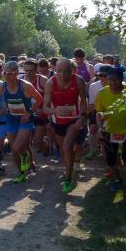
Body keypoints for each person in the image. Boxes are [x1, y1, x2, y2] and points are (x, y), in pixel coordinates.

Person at [0, 61, 44, 183]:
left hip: (25, 120)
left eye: (10, 74)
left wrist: (29, 112)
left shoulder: (25, 86)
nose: (6, 76)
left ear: (16, 74)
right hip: (11, 119)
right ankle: (22, 171)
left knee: (15, 148)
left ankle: (25, 160)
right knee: (22, 147)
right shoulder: (2, 86)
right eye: (5, 73)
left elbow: (40, 99)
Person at [43, 58, 88, 193]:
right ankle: (69, 168)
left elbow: (84, 100)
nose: (62, 75)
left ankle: (68, 179)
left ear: (72, 70)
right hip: (58, 121)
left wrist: (83, 116)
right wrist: (56, 110)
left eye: (66, 71)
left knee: (68, 146)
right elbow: (45, 108)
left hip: (74, 119)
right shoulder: (50, 83)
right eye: (59, 71)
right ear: (55, 70)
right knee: (64, 150)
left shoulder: (78, 80)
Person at [96, 67, 126, 191]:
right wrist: (99, 128)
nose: (111, 82)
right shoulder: (102, 93)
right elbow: (99, 113)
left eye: (115, 80)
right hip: (110, 129)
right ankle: (117, 180)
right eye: (109, 79)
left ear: (122, 79)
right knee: (110, 158)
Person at [22, 58, 50, 158]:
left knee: (37, 144)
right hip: (27, 113)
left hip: (40, 114)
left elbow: (49, 98)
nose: (28, 73)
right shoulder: (21, 80)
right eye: (26, 70)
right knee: (24, 141)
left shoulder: (43, 80)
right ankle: (28, 162)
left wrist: (42, 109)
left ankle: (45, 142)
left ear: (36, 69)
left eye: (31, 70)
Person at [85, 64, 110, 159]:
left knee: (106, 132)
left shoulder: (114, 84)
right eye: (100, 75)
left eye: (105, 75)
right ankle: (93, 150)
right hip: (97, 109)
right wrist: (84, 115)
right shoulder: (93, 86)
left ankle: (106, 151)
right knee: (92, 129)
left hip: (111, 111)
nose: (102, 77)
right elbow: (91, 103)